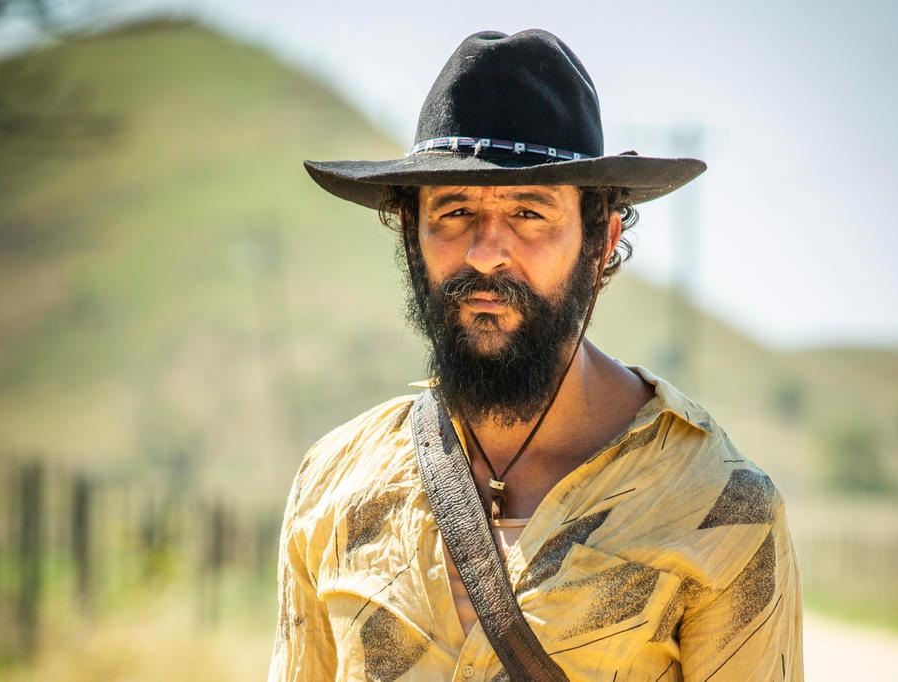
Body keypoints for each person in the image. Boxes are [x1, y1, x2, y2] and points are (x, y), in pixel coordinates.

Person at [268, 28, 803, 682]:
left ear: (601, 241)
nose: (487, 252)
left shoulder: (717, 509)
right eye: (455, 210)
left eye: (529, 212)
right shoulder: (334, 486)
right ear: (411, 234)